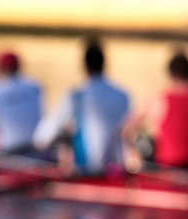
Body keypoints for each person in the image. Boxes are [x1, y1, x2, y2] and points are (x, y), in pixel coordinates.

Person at [33, 39, 130, 172]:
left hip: (88, 171)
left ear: (85, 66)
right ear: (104, 64)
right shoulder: (123, 95)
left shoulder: (76, 96)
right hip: (116, 171)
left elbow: (42, 138)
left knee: (65, 140)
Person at [124, 52, 188, 170]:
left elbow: (127, 130)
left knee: (144, 142)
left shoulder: (160, 99)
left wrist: (135, 153)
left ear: (171, 75)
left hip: (168, 168)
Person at [0, 51, 43, 154]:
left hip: (8, 149)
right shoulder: (35, 86)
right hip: (35, 145)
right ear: (18, 66)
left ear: (0, 69)